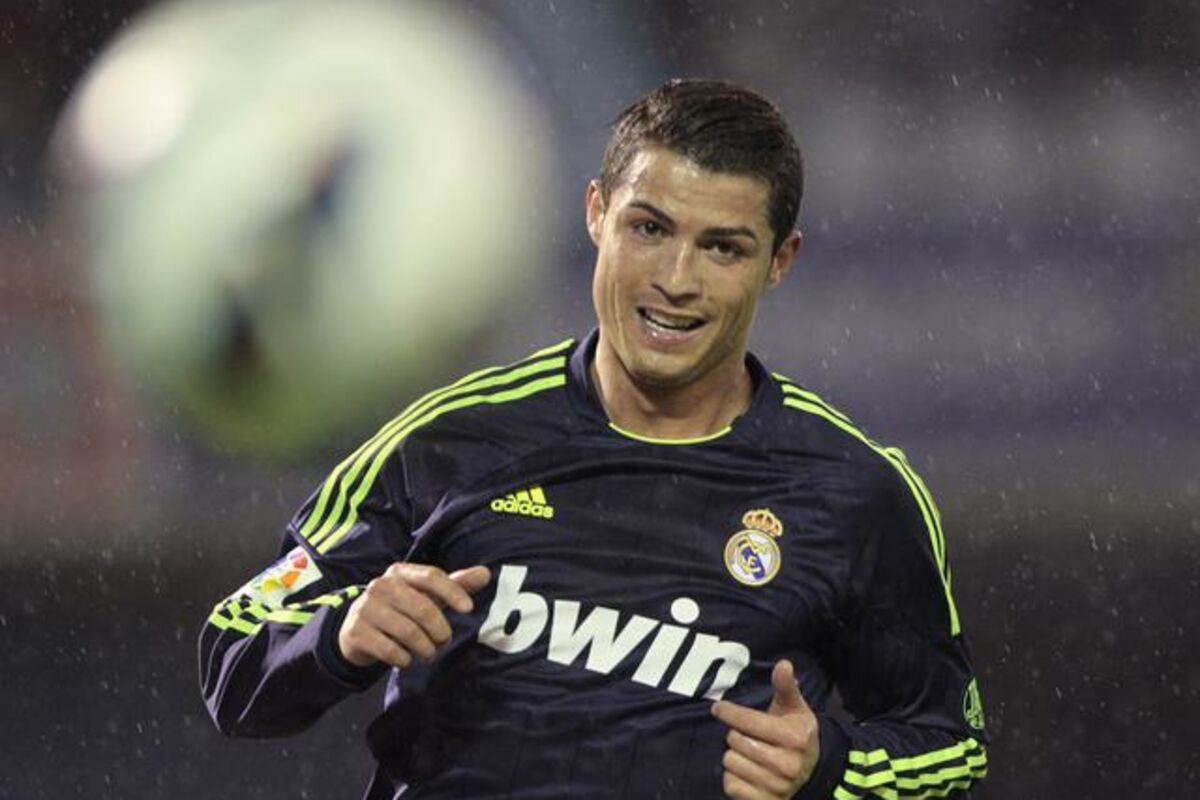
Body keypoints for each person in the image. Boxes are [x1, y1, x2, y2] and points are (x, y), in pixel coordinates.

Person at [200, 78, 988, 799]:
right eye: (649, 228)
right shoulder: (446, 443)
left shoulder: (853, 492)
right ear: (595, 213)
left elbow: (951, 751)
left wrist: (833, 769)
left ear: (780, 261)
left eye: (723, 247)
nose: (675, 280)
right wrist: (337, 635)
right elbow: (233, 651)